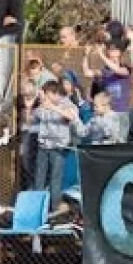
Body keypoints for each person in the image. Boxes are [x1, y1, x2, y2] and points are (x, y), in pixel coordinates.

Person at [32, 81, 81, 219]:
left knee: (55, 181)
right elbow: (33, 116)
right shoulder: (43, 105)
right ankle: (37, 212)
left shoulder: (67, 104)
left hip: (58, 149)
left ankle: (55, 213)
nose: (45, 98)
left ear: (54, 94)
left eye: (47, 95)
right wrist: (39, 101)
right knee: (39, 180)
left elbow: (71, 116)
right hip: (43, 147)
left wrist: (53, 107)